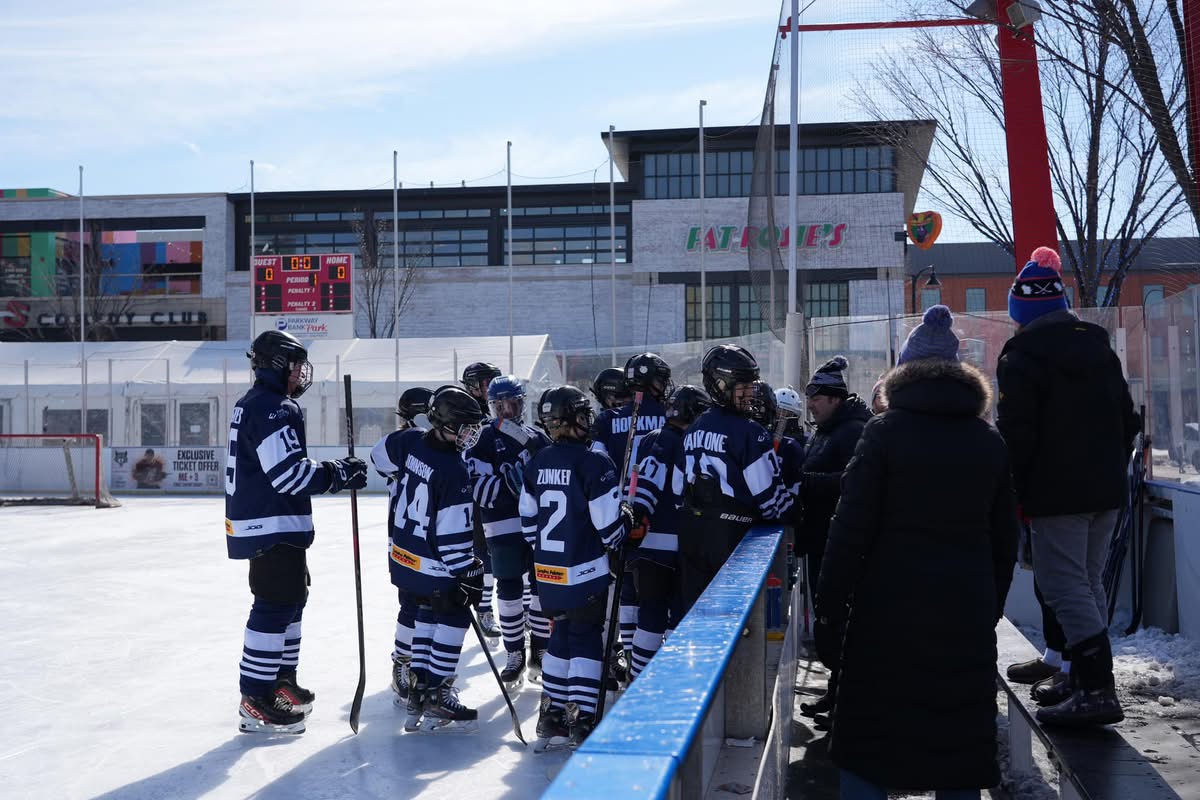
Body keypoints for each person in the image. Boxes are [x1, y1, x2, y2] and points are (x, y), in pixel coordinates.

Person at [815, 304, 1019, 798]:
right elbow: (1005, 540)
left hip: (885, 615)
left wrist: (829, 609)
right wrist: (986, 608)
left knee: (870, 748)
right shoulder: (988, 442)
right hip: (962, 614)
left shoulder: (883, 434)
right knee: (959, 753)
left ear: (901, 375)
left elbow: (849, 530)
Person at [996, 247, 1140, 727]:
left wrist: (1015, 489)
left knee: (1063, 584)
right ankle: (1084, 676)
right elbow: (1127, 420)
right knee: (1088, 581)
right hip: (1106, 490)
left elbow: (1019, 433)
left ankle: (1097, 690)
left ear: (1023, 312)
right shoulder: (1100, 348)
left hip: (1058, 494)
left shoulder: (1022, 357)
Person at [226, 330, 368, 734]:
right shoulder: (275, 408)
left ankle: (279, 682)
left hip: (268, 523)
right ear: (276, 366)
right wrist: (338, 473)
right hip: (270, 525)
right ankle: (255, 696)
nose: (299, 374)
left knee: (290, 600)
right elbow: (288, 475)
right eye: (293, 366)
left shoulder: (255, 403)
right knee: (273, 606)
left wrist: (333, 472)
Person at [521, 385, 632, 751]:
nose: (588, 420)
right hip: (584, 572)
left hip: (547, 573)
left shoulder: (537, 461)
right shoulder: (594, 462)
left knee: (560, 637)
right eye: (583, 414)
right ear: (572, 419)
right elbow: (608, 528)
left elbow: (527, 524)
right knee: (585, 637)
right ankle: (583, 716)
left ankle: (550, 714)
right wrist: (626, 524)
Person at [376, 385, 487, 733]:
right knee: (454, 618)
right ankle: (438, 691)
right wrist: (469, 572)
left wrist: (399, 480)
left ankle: (418, 692)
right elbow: (453, 538)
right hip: (433, 563)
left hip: (403, 556)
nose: (471, 434)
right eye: (465, 427)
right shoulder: (454, 469)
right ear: (444, 423)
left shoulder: (409, 441)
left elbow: (379, 457)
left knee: (423, 616)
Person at [677, 344, 793, 615]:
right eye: (743, 386)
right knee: (734, 620)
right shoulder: (750, 432)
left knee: (694, 616)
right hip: (732, 537)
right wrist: (795, 510)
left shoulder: (694, 428)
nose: (751, 392)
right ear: (720, 385)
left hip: (691, 530)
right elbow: (771, 502)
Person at [463, 375, 553, 690]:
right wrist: (512, 485)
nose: (506, 410)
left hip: (538, 526)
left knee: (543, 586)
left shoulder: (538, 437)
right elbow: (481, 491)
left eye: (511, 403)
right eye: (499, 404)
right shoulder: (481, 438)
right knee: (510, 587)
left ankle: (540, 649)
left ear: (521, 403)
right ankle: (514, 653)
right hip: (501, 527)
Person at [796, 355, 871, 721]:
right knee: (828, 622)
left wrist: (802, 484)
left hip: (840, 543)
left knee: (841, 624)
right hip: (820, 539)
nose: (810, 404)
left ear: (835, 399)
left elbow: (852, 483)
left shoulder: (854, 431)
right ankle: (835, 691)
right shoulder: (826, 430)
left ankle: (848, 705)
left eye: (816, 397)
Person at [591, 352, 671, 683]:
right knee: (651, 597)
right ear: (654, 383)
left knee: (621, 589)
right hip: (657, 516)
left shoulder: (607, 419)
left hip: (615, 515)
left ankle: (618, 654)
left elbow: (595, 466)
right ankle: (642, 663)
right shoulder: (669, 415)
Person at [626, 384, 711, 680]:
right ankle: (674, 680)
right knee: (678, 614)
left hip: (650, 549)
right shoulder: (679, 441)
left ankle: (638, 680)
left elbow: (639, 488)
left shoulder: (653, 438)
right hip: (678, 548)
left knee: (650, 614)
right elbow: (647, 490)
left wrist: (634, 520)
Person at [369, 386, 433, 707]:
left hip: (433, 540)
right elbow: (379, 458)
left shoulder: (435, 446)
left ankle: (426, 664)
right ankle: (403, 661)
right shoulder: (402, 443)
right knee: (411, 604)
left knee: (435, 605)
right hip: (407, 540)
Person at [461, 362, 503, 637]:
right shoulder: (463, 411)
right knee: (481, 555)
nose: (493, 388)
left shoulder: (497, 413)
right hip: (472, 497)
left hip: (497, 494)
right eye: (488, 382)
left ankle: (516, 611)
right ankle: (484, 608)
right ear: (474, 386)